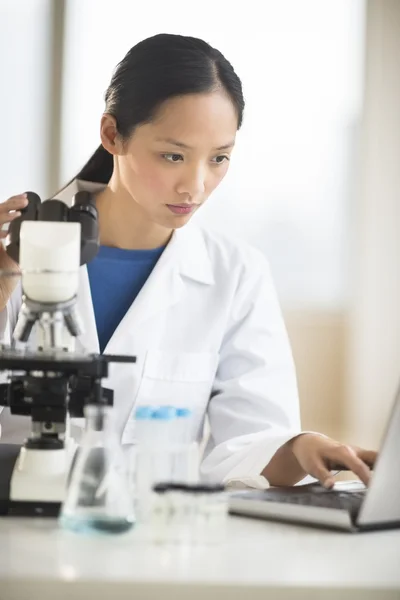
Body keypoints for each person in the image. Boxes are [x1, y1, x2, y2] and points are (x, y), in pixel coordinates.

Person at [0, 33, 376, 489]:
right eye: (173, 155)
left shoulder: (236, 274)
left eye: (219, 158)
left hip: (153, 541)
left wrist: (299, 448)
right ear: (112, 134)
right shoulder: (18, 250)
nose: (195, 187)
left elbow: (247, 444)